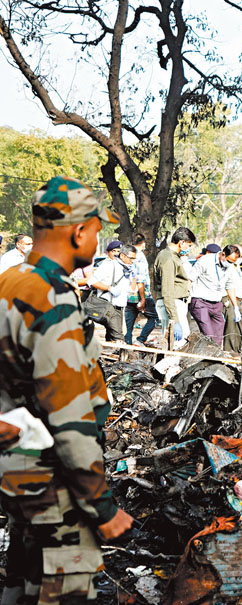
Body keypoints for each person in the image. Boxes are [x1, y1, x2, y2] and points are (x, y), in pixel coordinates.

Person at [0, 176, 133, 603]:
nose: (98, 238)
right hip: (49, 473)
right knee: (67, 586)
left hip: (15, 467)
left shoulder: (11, 281)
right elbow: (70, 416)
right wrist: (102, 506)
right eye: (97, 229)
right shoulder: (51, 297)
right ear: (78, 231)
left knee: (23, 578)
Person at [151, 226, 196, 349]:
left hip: (173, 304)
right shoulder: (169, 259)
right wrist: (175, 320)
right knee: (177, 343)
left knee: (173, 342)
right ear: (182, 242)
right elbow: (167, 290)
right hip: (172, 304)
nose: (189, 249)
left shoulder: (172, 256)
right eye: (189, 245)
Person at [189, 244, 241, 346]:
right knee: (209, 336)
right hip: (200, 302)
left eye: (233, 262)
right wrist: (186, 299)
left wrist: (235, 307)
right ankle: (206, 357)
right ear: (223, 254)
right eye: (229, 261)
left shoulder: (229, 267)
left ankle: (213, 358)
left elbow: (229, 286)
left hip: (216, 303)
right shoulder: (206, 260)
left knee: (218, 336)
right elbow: (190, 279)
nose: (230, 264)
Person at [88, 244, 138, 342]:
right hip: (108, 306)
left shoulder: (128, 269)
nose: (132, 261)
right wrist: (109, 288)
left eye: (134, 259)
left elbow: (132, 290)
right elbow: (92, 281)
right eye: (131, 258)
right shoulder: (109, 265)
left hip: (119, 308)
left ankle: (108, 356)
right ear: (123, 255)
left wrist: (135, 276)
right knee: (118, 339)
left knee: (112, 338)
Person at [125, 234, 155, 346]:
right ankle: (141, 339)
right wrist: (143, 299)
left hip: (129, 295)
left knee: (129, 323)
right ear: (143, 243)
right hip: (142, 293)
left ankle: (127, 344)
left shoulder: (127, 254)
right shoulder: (140, 256)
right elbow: (140, 280)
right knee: (153, 318)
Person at [223, 244, 242, 353]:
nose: (240, 258)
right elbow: (228, 285)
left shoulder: (237, 268)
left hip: (238, 300)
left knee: (240, 327)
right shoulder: (228, 266)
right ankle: (230, 352)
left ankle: (237, 350)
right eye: (239, 255)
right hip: (230, 299)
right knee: (231, 328)